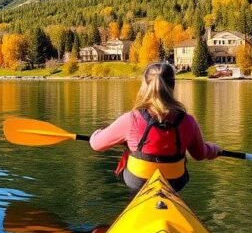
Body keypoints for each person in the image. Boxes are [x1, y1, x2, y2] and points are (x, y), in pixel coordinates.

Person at [90, 61, 222, 194]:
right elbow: (200, 154)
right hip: (175, 181)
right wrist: (213, 149)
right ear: (172, 85)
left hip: (138, 181)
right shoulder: (188, 121)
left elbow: (96, 144)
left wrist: (97, 133)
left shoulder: (131, 119)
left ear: (145, 85)